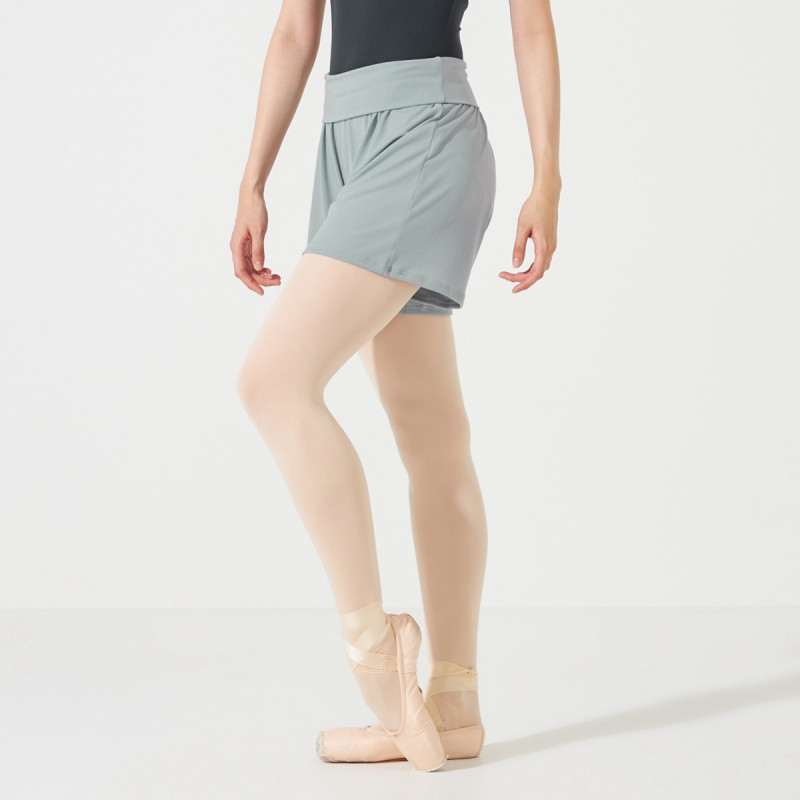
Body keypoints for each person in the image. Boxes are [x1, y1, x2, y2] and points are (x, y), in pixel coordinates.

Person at [230, 0, 561, 771]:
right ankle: (453, 705)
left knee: (273, 383)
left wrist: (547, 179)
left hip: (427, 129)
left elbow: (532, 23)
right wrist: (252, 181)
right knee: (431, 435)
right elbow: (295, 29)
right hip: (344, 139)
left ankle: (378, 654)